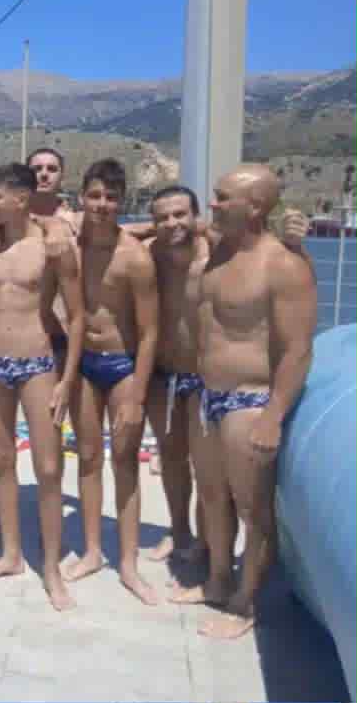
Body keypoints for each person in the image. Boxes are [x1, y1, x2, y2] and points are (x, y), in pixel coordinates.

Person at [182, 165, 316, 639]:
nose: (212, 204)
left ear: (255, 207)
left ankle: (246, 603)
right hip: (207, 394)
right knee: (212, 494)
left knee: (252, 509)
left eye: (222, 197)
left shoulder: (283, 265)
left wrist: (273, 416)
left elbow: (299, 349)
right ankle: (219, 580)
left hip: (249, 399)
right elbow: (166, 224)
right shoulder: (219, 247)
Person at [0, 164, 85, 611]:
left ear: (21, 199)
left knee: (48, 467)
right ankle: (11, 554)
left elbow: (77, 316)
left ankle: (51, 568)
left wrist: (67, 378)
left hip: (38, 363)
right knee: (1, 458)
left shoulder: (52, 247)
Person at [65, 158, 160, 606]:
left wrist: (137, 396)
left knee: (124, 463)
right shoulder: (70, 246)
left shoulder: (134, 257)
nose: (102, 204)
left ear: (122, 201)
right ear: (81, 197)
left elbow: (150, 332)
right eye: (95, 195)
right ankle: (91, 551)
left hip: (122, 364)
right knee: (87, 458)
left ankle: (128, 562)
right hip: (83, 363)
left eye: (111, 197)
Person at [143, 186, 210, 564]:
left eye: (180, 214)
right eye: (162, 217)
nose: (172, 223)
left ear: (196, 216)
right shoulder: (150, 254)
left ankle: (207, 541)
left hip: (205, 379)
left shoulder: (217, 253)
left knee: (207, 468)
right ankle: (179, 531)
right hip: (163, 375)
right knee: (171, 458)